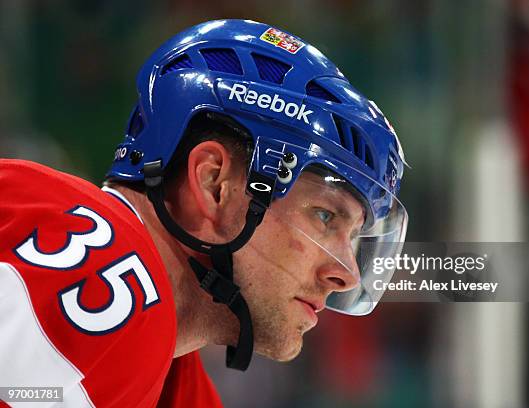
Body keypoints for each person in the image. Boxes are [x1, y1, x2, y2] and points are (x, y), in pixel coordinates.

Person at [0, 19, 408, 407]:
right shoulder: (114, 281)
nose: (347, 274)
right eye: (324, 216)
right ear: (215, 184)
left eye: (352, 234)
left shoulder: (171, 367)